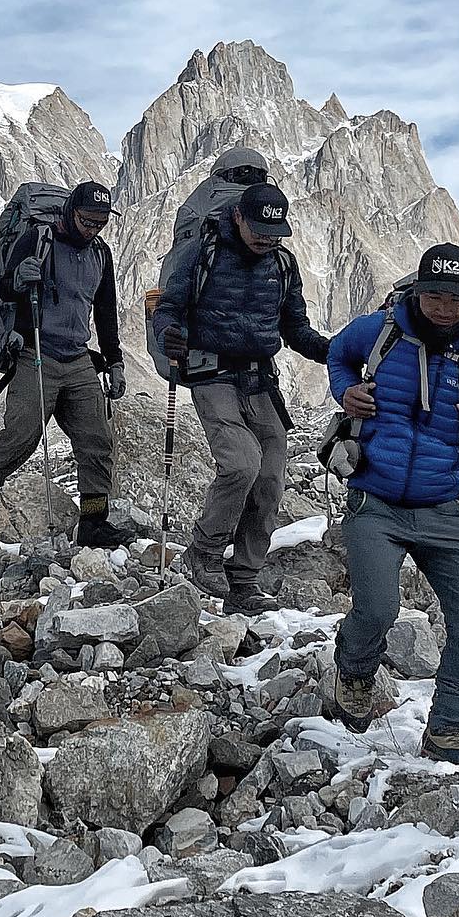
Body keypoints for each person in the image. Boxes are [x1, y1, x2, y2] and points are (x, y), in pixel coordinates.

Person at [319, 244, 459, 766]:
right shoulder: (380, 331)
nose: (444, 308)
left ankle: (447, 728)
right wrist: (346, 392)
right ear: (416, 291)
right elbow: (337, 354)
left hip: (444, 505)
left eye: (455, 299)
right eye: (434, 296)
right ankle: (355, 669)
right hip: (375, 498)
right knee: (378, 609)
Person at [152, 181, 330, 614]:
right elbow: (169, 307)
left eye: (275, 233)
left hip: (259, 378)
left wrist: (333, 351)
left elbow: (295, 328)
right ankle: (204, 552)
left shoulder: (282, 264)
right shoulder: (204, 252)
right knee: (240, 464)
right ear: (238, 217)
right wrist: (168, 333)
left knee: (270, 477)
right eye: (260, 230)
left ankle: (244, 577)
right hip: (211, 374)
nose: (268, 240)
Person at [0, 181, 128, 549]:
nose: (92, 230)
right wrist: (18, 280)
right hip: (35, 353)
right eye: (87, 221)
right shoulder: (37, 239)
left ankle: (94, 523)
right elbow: (4, 291)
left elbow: (105, 310)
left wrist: (115, 361)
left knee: (96, 440)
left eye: (100, 223)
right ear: (70, 211)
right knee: (21, 439)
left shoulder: (100, 254)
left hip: (78, 358)